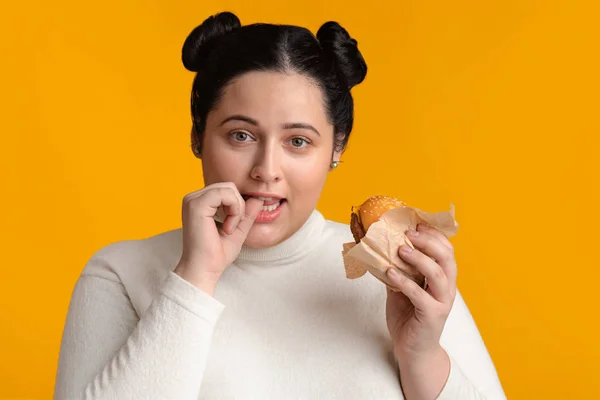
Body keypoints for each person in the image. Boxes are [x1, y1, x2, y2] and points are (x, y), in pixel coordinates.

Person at [54, 11, 506, 400]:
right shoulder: (120, 274)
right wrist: (195, 279)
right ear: (197, 136)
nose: (266, 169)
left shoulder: (399, 274)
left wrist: (422, 356)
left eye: (298, 141)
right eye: (241, 135)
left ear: (336, 148)